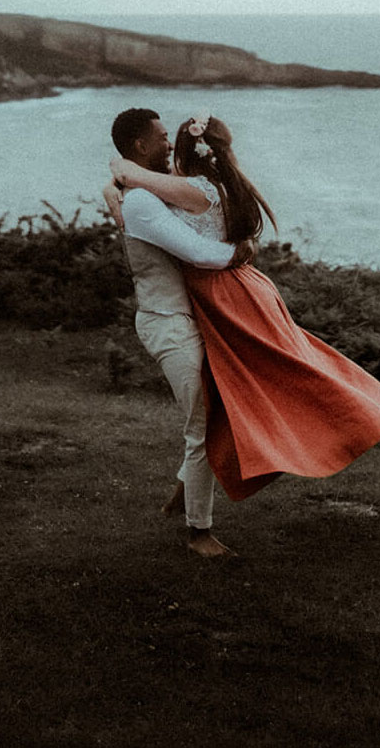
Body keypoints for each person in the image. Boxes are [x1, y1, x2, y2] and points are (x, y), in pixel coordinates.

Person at [109, 111, 380, 504]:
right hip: (244, 292)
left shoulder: (194, 189)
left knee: (299, 377)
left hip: (230, 297)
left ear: (190, 152)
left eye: (173, 141)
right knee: (308, 364)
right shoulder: (219, 185)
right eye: (163, 139)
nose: (168, 148)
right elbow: (140, 188)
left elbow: (163, 211)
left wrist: (121, 171)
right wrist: (115, 182)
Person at [105, 108, 255, 558]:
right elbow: (196, 252)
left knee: (209, 418)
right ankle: (199, 532)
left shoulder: (145, 191)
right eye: (162, 137)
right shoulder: (141, 202)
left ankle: (182, 498)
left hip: (189, 319)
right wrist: (239, 252)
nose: (170, 144)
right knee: (203, 426)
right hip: (168, 323)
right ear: (139, 147)